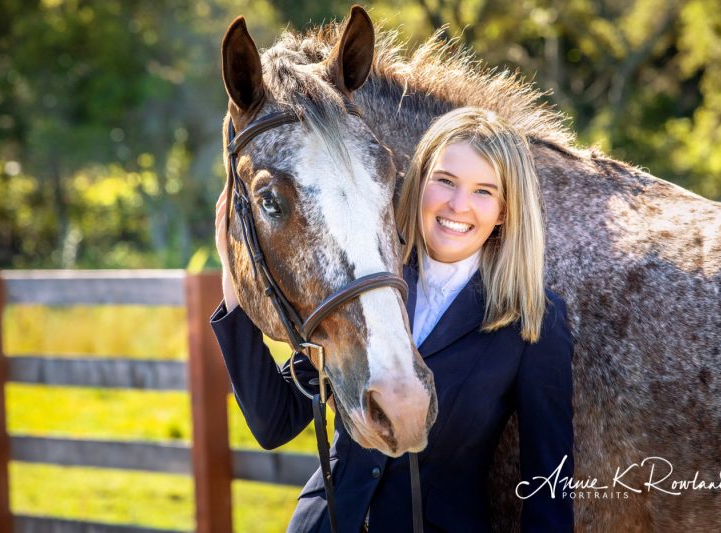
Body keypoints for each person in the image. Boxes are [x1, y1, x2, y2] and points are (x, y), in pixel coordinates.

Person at [211, 107, 574, 532]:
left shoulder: (533, 321)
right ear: (418, 182)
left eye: (483, 191)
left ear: (505, 210)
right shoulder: (367, 287)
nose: (458, 205)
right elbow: (275, 423)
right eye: (445, 181)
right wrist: (232, 281)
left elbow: (550, 483)